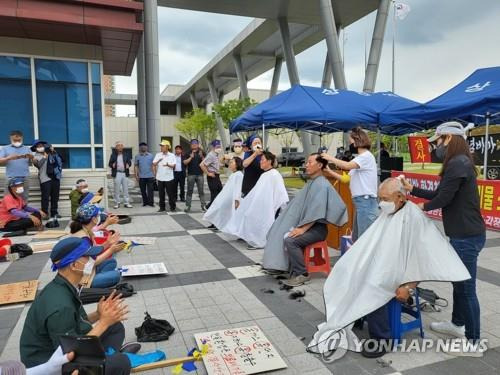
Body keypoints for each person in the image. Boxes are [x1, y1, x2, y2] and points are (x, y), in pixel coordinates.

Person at [308, 177, 472, 359]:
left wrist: (409, 286)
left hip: (400, 273)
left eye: (385, 199)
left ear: (400, 197)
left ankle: (381, 339)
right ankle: (352, 314)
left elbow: (420, 257)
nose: (381, 203)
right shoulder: (390, 211)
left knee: (373, 286)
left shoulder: (414, 218)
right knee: (348, 272)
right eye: (380, 198)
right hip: (385, 265)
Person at [401, 121, 486, 356]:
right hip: (463, 234)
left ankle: (474, 342)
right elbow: (440, 192)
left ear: (448, 138)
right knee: (458, 282)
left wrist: (421, 206)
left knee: (467, 289)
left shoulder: (458, 163)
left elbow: (443, 198)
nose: (435, 147)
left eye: (436, 141)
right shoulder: (458, 163)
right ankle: (458, 325)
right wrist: (413, 190)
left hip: (467, 236)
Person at [20, 237, 133, 374]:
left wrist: (98, 315)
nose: (92, 260)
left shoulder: (63, 285)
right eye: (87, 257)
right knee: (121, 363)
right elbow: (69, 353)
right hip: (50, 365)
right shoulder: (60, 307)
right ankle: (108, 361)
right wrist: (103, 322)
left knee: (114, 326)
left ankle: (104, 359)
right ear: (74, 265)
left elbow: (75, 323)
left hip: (65, 346)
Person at [263, 154, 348, 286]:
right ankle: (283, 267)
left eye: (309, 162)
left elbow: (316, 211)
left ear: (319, 165)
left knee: (290, 240)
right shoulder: (313, 182)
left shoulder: (321, 185)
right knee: (279, 231)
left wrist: (302, 228)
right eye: (306, 162)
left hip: (317, 230)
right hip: (310, 226)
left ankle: (302, 274)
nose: (306, 165)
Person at [322, 127, 378, 241]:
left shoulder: (365, 157)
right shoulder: (360, 159)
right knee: (357, 238)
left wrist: (330, 158)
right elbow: (346, 179)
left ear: (357, 141)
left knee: (364, 240)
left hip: (366, 202)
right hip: (361, 203)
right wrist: (329, 171)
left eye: (350, 141)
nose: (350, 144)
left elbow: (346, 166)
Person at [224, 151, 289, 249]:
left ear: (269, 161)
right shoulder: (264, 175)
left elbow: (280, 194)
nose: (260, 162)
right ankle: (247, 235)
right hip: (261, 205)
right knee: (245, 213)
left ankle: (259, 240)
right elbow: (257, 192)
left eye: (262, 160)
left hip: (270, 206)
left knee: (255, 216)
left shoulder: (274, 175)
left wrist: (272, 206)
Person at [70, 203, 125, 288]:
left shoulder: (86, 231)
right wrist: (111, 249)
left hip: (88, 269)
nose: (99, 217)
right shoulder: (83, 238)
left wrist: (108, 243)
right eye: (98, 215)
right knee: (116, 275)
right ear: (94, 219)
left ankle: (101, 277)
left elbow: (94, 251)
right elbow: (92, 262)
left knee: (112, 262)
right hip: (81, 278)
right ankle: (93, 283)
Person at [203, 157, 244, 231]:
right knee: (217, 207)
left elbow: (238, 188)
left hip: (230, 197)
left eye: (232, 162)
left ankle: (219, 224)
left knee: (221, 209)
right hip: (225, 196)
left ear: (237, 164)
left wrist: (237, 200)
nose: (230, 164)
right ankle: (215, 223)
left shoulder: (239, 175)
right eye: (230, 162)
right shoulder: (234, 174)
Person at [32, 140, 62, 227]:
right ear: (35, 148)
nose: (40, 147)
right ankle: (44, 213)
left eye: (42, 145)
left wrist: (54, 151)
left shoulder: (50, 153)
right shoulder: (35, 157)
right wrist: (44, 157)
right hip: (45, 178)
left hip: (55, 177)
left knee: (55, 196)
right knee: (45, 197)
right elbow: (38, 165)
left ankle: (54, 213)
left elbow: (60, 160)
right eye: (38, 146)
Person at [0, 130, 33, 201]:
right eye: (15, 140)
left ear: (22, 138)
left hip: (25, 177)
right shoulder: (5, 148)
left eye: (19, 140)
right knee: (8, 199)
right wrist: (8, 158)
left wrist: (32, 158)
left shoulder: (27, 148)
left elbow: (34, 162)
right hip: (11, 177)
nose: (17, 142)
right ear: (10, 139)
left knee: (24, 198)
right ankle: (9, 212)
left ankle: (23, 212)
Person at [183, 139, 207, 212]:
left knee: (201, 191)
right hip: (191, 175)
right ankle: (188, 206)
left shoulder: (202, 152)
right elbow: (184, 162)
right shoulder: (188, 152)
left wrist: (202, 156)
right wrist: (191, 157)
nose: (194, 145)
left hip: (200, 174)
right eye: (192, 144)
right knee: (189, 191)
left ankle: (203, 206)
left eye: (195, 143)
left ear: (198, 144)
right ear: (190, 145)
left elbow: (206, 162)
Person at [153, 140, 176, 212]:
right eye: (161, 146)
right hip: (160, 177)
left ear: (167, 147)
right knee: (161, 194)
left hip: (169, 178)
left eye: (163, 146)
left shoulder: (172, 155)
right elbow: (154, 164)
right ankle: (162, 208)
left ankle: (172, 207)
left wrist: (167, 164)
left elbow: (173, 165)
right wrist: (159, 160)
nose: (161, 147)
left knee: (170, 194)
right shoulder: (158, 154)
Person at [108, 141, 132, 209]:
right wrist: (112, 165)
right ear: (116, 147)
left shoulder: (126, 154)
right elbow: (109, 164)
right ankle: (117, 203)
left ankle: (126, 203)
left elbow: (129, 163)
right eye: (118, 145)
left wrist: (128, 164)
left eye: (121, 145)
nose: (120, 147)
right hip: (117, 173)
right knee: (116, 189)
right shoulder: (113, 155)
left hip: (124, 173)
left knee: (126, 189)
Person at [200, 140, 223, 209]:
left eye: (219, 146)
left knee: (220, 192)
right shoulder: (211, 155)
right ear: (213, 147)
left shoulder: (216, 155)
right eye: (217, 147)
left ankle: (211, 207)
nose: (219, 148)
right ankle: (208, 207)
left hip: (217, 176)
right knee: (215, 194)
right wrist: (208, 173)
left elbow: (216, 165)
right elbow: (202, 165)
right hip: (212, 176)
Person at [134, 142, 155, 207]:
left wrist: (155, 174)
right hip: (141, 176)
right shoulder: (137, 156)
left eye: (144, 146)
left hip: (150, 176)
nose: (143, 147)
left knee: (150, 190)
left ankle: (151, 203)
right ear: (140, 148)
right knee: (143, 190)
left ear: (147, 147)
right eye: (141, 146)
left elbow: (153, 165)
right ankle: (145, 202)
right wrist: (136, 175)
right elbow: (136, 166)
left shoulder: (151, 155)